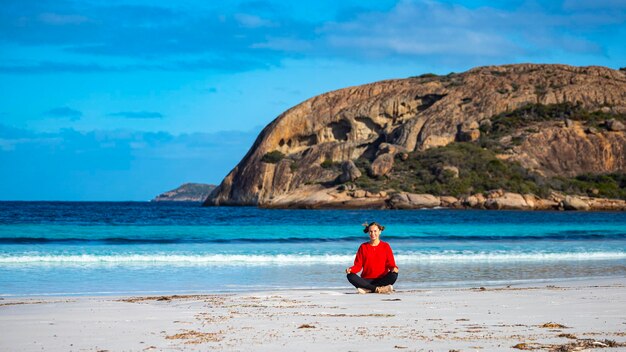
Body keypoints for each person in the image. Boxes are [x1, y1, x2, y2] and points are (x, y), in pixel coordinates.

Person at [346, 221, 398, 294]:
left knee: (394, 275)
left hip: (382, 280)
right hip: (366, 280)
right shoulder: (363, 247)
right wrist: (351, 269)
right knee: (350, 276)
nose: (373, 234)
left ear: (380, 232)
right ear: (368, 232)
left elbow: (390, 264)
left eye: (375, 231)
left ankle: (368, 289)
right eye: (370, 231)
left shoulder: (386, 246)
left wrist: (393, 268)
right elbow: (358, 266)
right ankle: (378, 289)